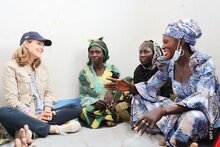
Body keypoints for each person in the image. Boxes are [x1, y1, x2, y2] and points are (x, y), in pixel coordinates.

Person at [104, 19, 220, 146]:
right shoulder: (170, 64)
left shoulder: (203, 63)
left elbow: (203, 97)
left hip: (201, 115)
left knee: (192, 116)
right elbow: (152, 86)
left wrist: (162, 110)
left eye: (166, 42)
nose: (163, 46)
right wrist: (130, 87)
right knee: (138, 99)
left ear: (180, 42)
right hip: (177, 112)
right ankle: (177, 135)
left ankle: (175, 140)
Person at [2, 32, 82, 138]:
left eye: (43, 45)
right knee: (3, 112)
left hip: (43, 114)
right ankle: (52, 129)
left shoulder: (43, 66)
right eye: (39, 44)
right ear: (26, 44)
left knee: (76, 106)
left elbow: (49, 92)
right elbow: (12, 99)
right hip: (26, 115)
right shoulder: (10, 67)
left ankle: (30, 130)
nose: (42, 48)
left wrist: (48, 110)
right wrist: (35, 117)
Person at [79, 37, 120, 128]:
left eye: (98, 52)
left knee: (127, 82)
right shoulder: (84, 74)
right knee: (82, 111)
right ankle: (108, 117)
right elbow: (83, 96)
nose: (94, 55)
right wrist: (95, 102)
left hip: (110, 103)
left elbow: (118, 87)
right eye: (91, 52)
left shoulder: (112, 70)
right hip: (95, 106)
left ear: (104, 54)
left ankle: (106, 116)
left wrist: (110, 91)